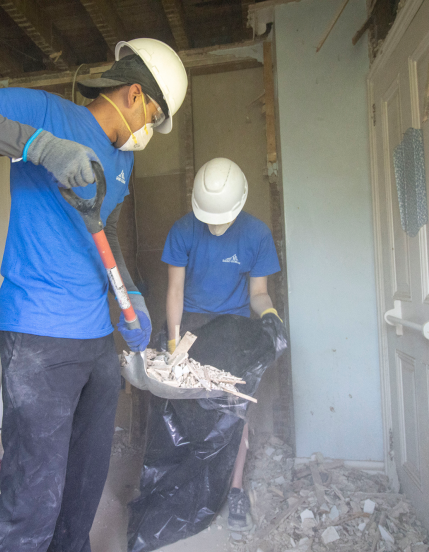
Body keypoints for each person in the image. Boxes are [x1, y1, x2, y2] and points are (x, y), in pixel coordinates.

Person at [0, 39, 187, 552]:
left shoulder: (124, 162)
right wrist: (38, 145)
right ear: (133, 93)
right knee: (33, 496)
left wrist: (133, 298)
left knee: (82, 488)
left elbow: (107, 231)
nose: (152, 130)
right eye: (155, 115)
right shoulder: (46, 113)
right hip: (38, 334)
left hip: (97, 340)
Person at [162, 157, 283, 532]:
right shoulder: (182, 231)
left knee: (234, 408)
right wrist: (172, 344)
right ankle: (187, 484)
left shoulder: (256, 234)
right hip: (193, 324)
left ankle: (233, 489)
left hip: (233, 325)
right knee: (184, 406)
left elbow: (259, 294)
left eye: (222, 218)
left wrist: (272, 319)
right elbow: (176, 290)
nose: (215, 226)